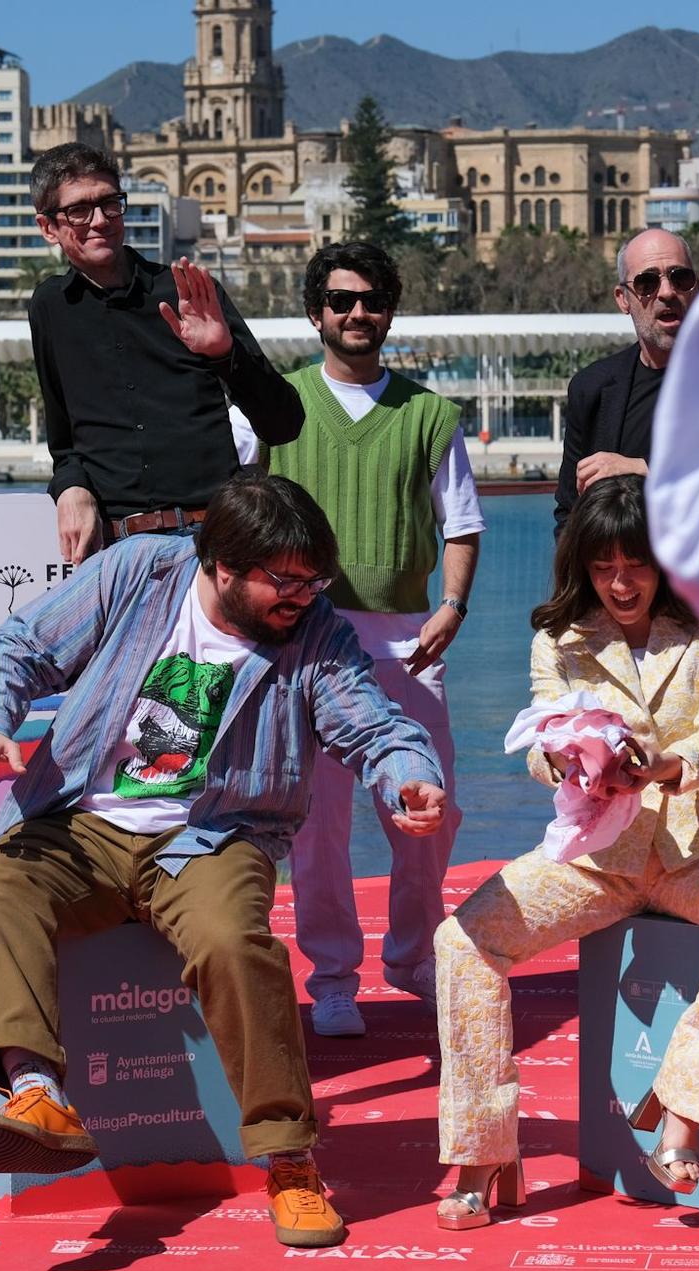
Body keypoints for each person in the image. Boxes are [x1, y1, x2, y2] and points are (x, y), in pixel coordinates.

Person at [0, 473, 448, 1250]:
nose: (303, 595)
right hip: (80, 815)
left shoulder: (318, 633)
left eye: (315, 579)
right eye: (284, 580)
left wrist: (409, 776)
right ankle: (38, 1094)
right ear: (220, 564)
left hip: (213, 834)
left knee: (233, 939)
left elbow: (375, 727)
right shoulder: (137, 570)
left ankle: (288, 1157)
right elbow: (18, 650)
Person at [433, 476, 699, 1228]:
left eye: (637, 563)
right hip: (596, 856)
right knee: (461, 940)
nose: (621, 582)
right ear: (583, 567)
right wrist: (567, 763)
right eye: (604, 566)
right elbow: (539, 741)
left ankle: (683, 1114)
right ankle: (483, 1147)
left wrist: (659, 765)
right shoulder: (557, 640)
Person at [242, 240, 482, 1037]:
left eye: (371, 300)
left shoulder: (426, 415)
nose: (356, 313)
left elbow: (463, 524)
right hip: (302, 645)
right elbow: (235, 513)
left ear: (389, 311)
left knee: (428, 814)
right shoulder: (274, 408)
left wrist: (452, 606)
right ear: (316, 313)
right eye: (340, 300)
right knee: (318, 827)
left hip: (410, 642)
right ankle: (334, 976)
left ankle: (412, 957)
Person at [27, 142, 303, 562]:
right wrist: (70, 487)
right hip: (116, 553)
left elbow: (284, 424)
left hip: (216, 545)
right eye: (79, 210)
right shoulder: (50, 308)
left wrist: (224, 353)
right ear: (49, 227)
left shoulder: (187, 291)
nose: (100, 220)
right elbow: (63, 442)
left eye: (109, 204)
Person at [551, 228, 699, 535]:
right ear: (623, 299)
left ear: (697, 288)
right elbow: (569, 514)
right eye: (647, 283)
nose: (667, 292)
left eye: (680, 278)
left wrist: (640, 469)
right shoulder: (591, 389)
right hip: (620, 583)